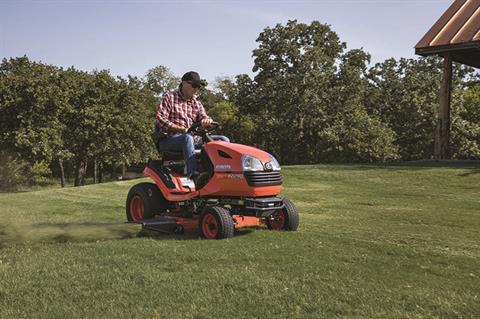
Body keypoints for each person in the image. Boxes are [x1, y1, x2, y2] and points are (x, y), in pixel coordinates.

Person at [155, 71, 213, 183]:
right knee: (187, 138)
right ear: (183, 83)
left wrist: (207, 120)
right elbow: (160, 118)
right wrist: (180, 129)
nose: (196, 89)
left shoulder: (197, 103)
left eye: (198, 86)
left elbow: (204, 116)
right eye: (194, 85)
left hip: (192, 138)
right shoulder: (170, 97)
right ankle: (194, 175)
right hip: (169, 139)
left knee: (221, 140)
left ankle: (216, 174)